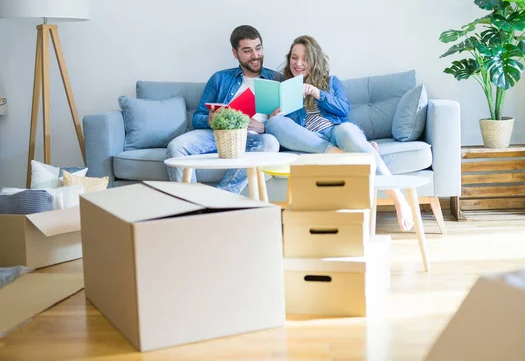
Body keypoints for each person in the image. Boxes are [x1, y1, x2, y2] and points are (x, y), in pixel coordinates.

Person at [265, 35, 414, 231]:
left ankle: (398, 198)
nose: (298, 63)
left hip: (336, 129)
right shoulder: (283, 88)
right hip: (309, 139)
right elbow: (286, 132)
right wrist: (276, 114)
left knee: (347, 131)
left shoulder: (331, 82)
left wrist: (316, 92)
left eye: (305, 58)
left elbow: (343, 109)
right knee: (273, 123)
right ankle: (346, 154)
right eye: (294, 57)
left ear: (314, 59)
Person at [166, 25, 280, 194]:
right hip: (218, 135)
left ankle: (221, 197)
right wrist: (210, 120)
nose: (255, 56)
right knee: (176, 146)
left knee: (271, 143)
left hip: (254, 139)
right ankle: (190, 204)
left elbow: (288, 123)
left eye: (258, 48)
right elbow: (197, 117)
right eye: (247, 51)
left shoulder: (277, 79)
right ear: (235, 53)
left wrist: (263, 127)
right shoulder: (220, 78)